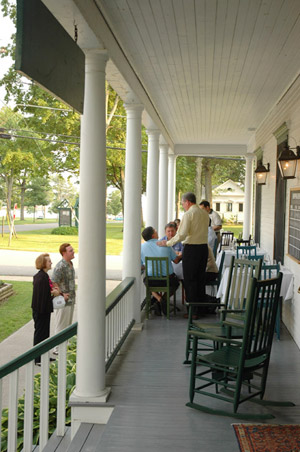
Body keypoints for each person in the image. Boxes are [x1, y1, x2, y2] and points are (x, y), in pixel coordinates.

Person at [157, 192, 209, 317]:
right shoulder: (204, 213)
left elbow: (182, 234)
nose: (183, 206)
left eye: (182, 203)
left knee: (190, 280)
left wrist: (168, 243)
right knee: (200, 279)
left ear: (187, 202)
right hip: (203, 248)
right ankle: (201, 309)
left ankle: (193, 311)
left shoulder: (188, 214)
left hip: (191, 249)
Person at [141, 226, 181, 315]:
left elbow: (140, 266)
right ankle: (162, 299)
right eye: (155, 231)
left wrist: (147, 265)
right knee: (176, 283)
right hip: (168, 280)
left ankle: (158, 299)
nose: (157, 232)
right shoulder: (165, 244)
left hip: (152, 280)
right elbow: (176, 261)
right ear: (153, 235)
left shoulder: (141, 247)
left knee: (145, 281)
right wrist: (182, 255)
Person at [31, 253, 59, 365]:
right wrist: (55, 294)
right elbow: (43, 297)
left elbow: (44, 293)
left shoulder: (43, 276)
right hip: (41, 310)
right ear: (43, 263)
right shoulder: (42, 278)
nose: (51, 262)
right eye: (49, 261)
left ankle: (44, 356)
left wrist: (52, 292)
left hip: (43, 310)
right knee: (40, 334)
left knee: (45, 334)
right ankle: (38, 358)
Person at [51, 243, 76, 351]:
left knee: (68, 325)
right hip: (63, 301)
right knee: (61, 325)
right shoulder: (60, 267)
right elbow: (53, 282)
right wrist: (61, 295)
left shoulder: (70, 264)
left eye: (72, 250)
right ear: (64, 253)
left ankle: (64, 347)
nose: (73, 251)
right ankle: (57, 348)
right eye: (70, 250)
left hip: (71, 300)